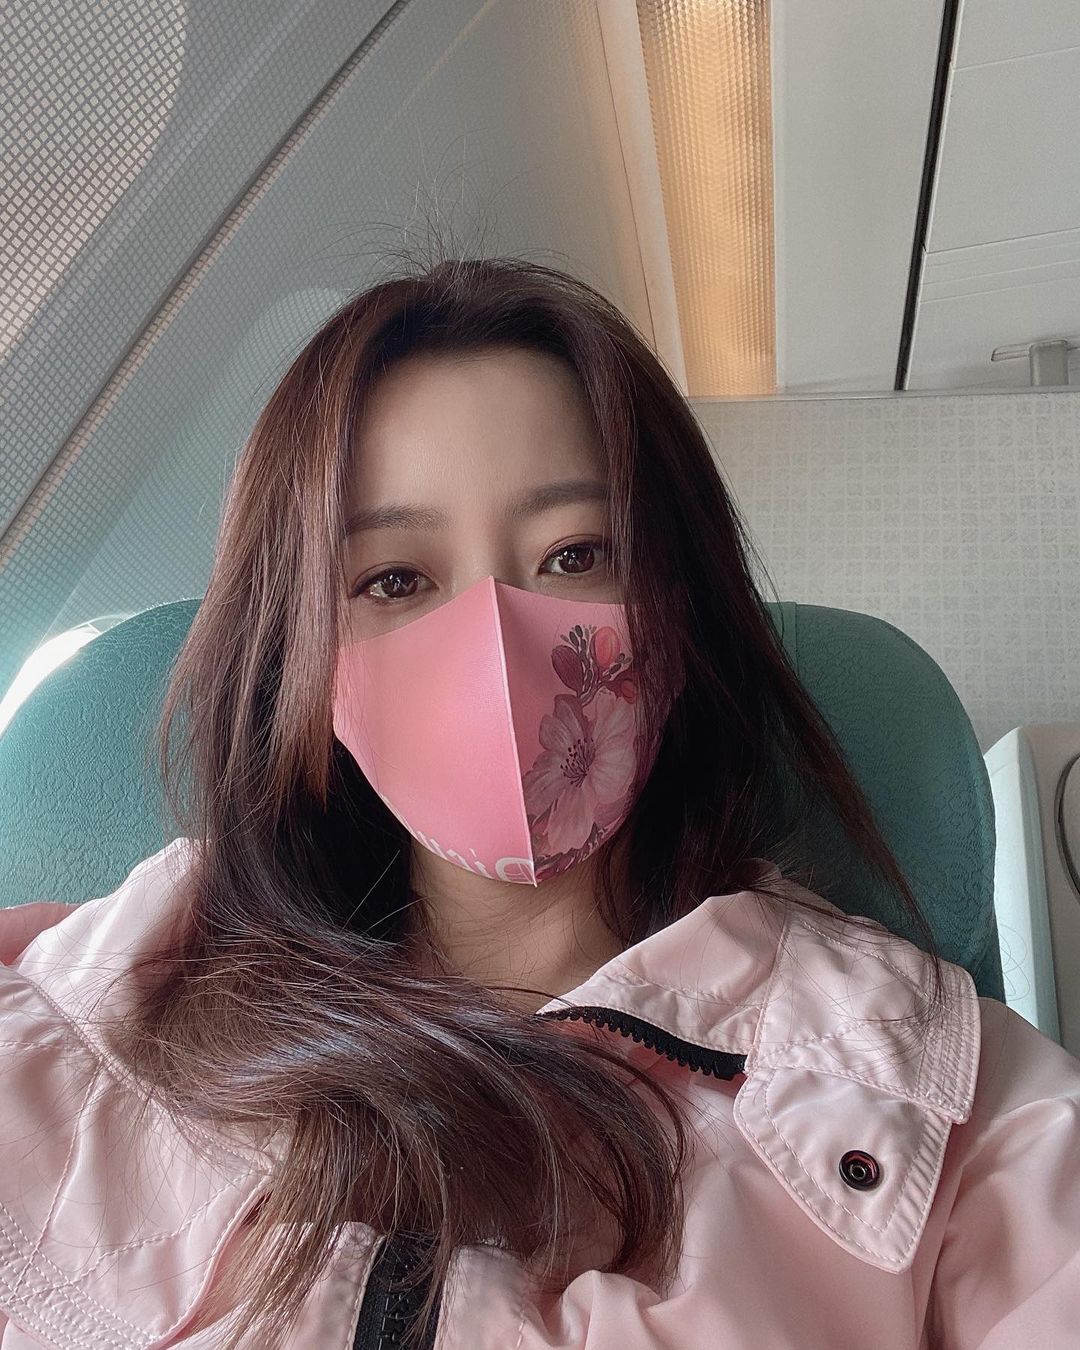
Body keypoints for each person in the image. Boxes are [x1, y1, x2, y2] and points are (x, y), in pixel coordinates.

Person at [1, 254, 1078, 1350]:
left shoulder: (946, 1094)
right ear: (306, 663)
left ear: (679, 612)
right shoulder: (77, 1024)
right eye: (394, 579)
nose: (495, 642)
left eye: (575, 555)